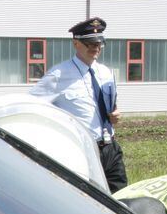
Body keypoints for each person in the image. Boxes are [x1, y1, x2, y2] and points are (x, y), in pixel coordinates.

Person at [30, 17, 127, 193]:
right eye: (90, 44)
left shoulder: (106, 72)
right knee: (90, 200)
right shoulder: (59, 75)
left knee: (121, 198)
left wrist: (115, 114)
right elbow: (32, 105)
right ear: (76, 43)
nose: (95, 48)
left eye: (99, 44)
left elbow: (111, 105)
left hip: (110, 148)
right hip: (83, 150)